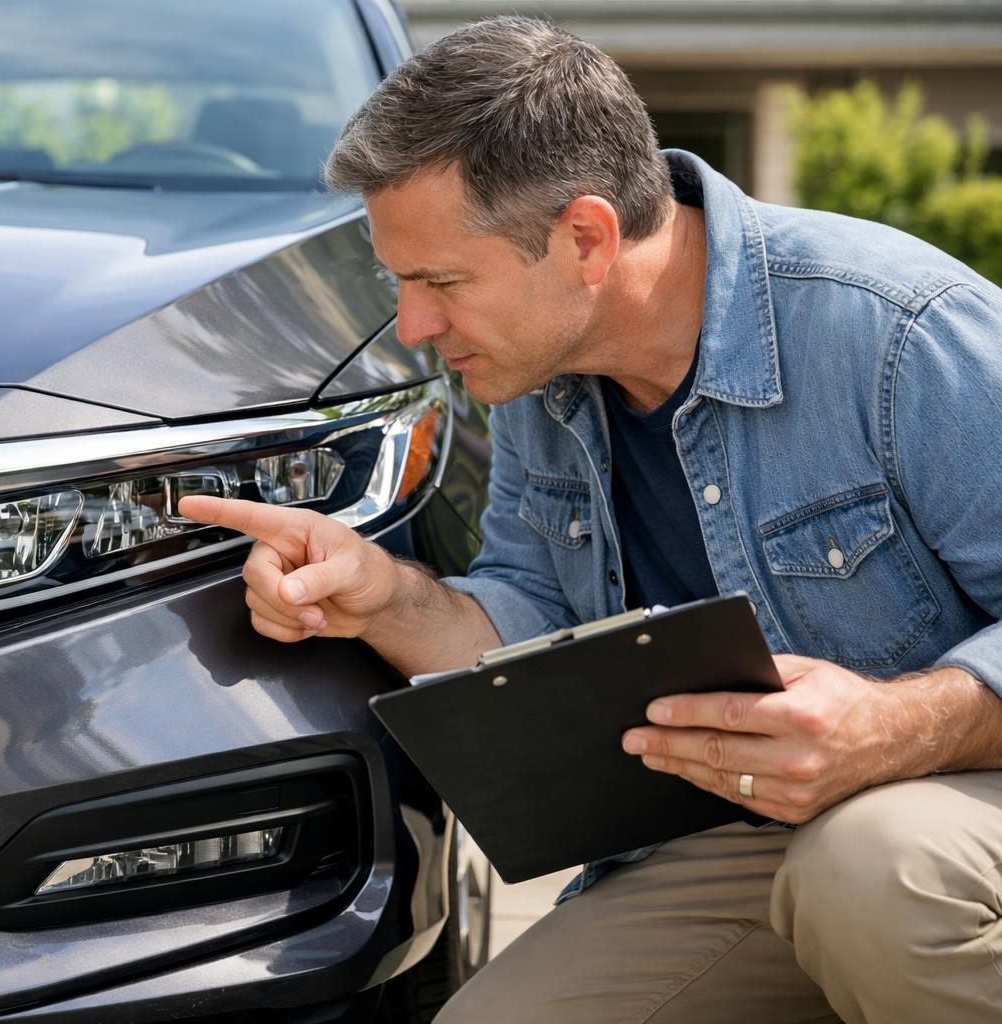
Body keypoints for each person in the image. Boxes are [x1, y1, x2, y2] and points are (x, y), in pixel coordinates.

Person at [177, 15, 1002, 1024]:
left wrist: (889, 727)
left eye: (440, 281)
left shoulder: (898, 331)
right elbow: (528, 611)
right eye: (401, 281)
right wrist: (383, 595)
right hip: (744, 826)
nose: (413, 327)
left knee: (872, 872)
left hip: (950, 803)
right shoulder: (542, 376)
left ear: (586, 239)